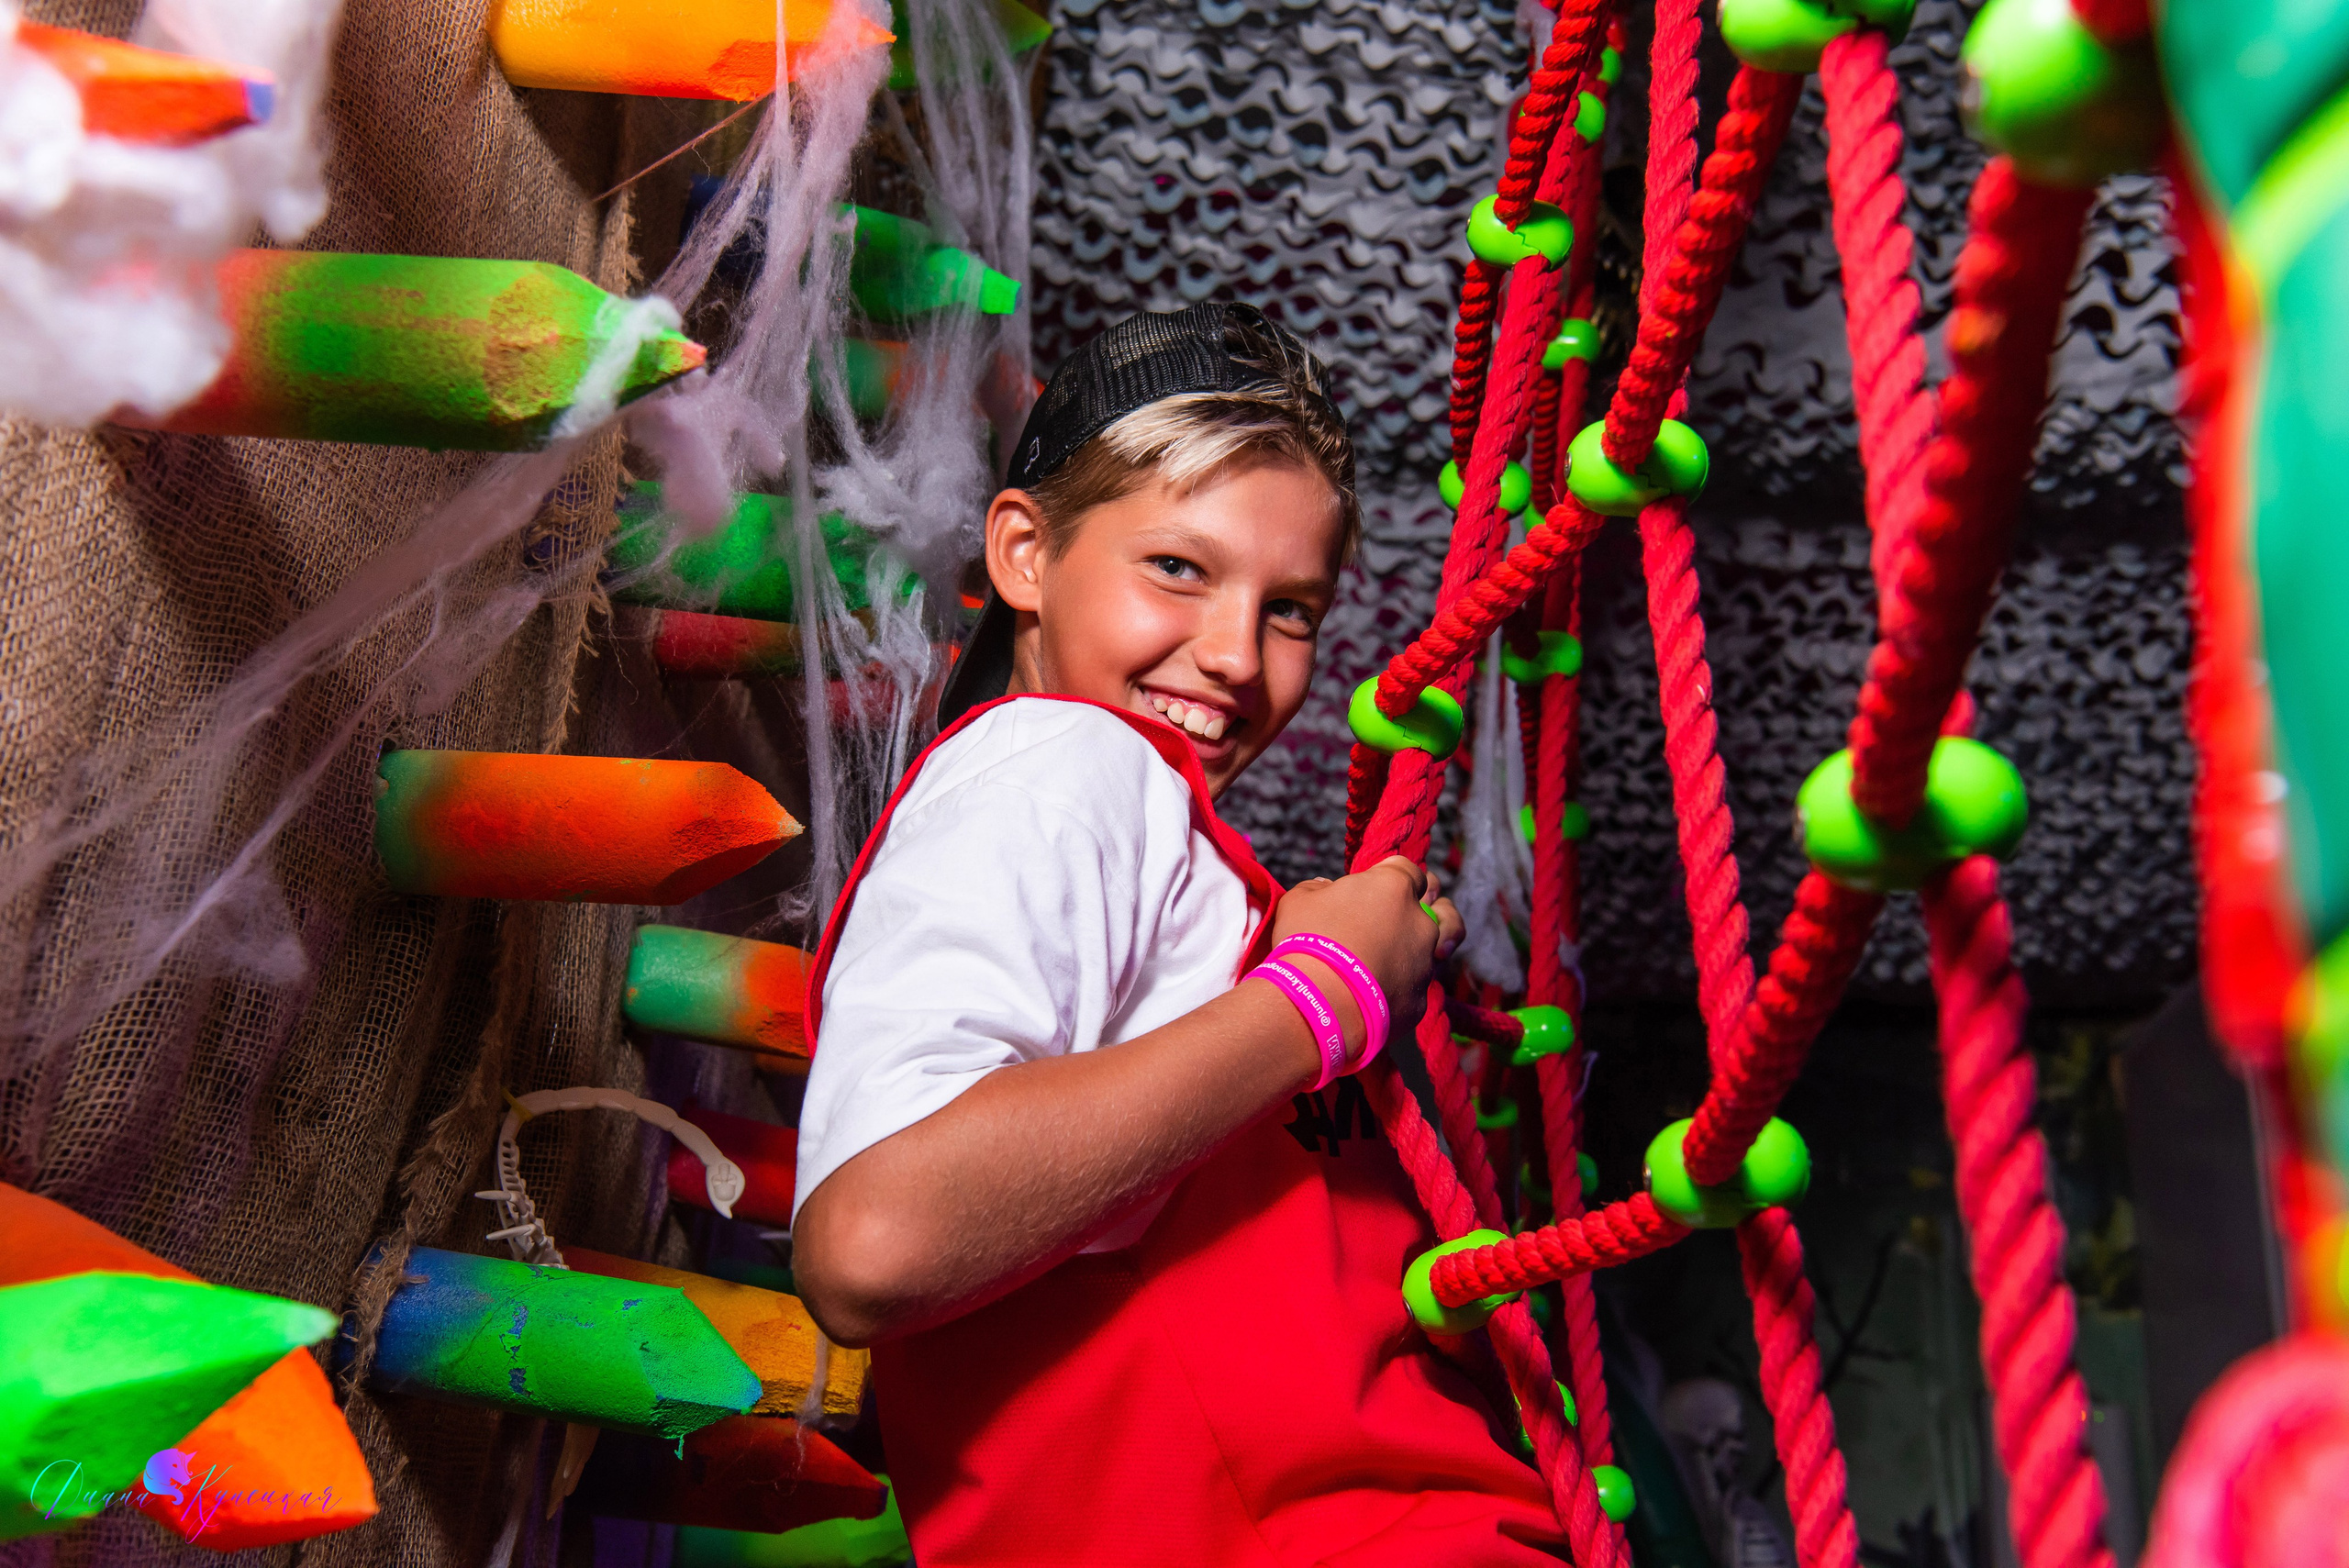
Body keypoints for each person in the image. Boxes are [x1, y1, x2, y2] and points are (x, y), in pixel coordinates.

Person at [790, 303, 1565, 1564]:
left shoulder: (1154, 844)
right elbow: (873, 1239)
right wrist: (1319, 1000)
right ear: (1026, 555)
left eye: (1293, 609)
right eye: (1180, 569)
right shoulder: (1071, 762)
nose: (1234, 657)